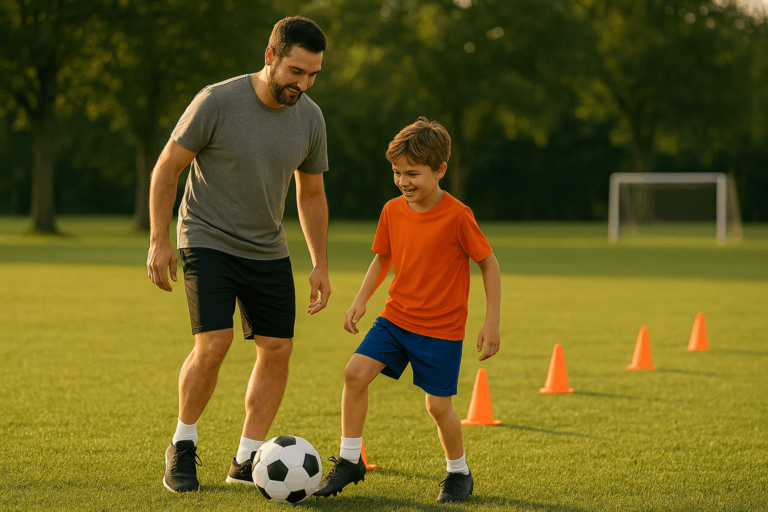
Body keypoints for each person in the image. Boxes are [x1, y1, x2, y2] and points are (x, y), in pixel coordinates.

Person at [145, 16, 331, 493]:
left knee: (278, 349)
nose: (303, 85)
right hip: (206, 235)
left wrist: (320, 263)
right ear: (270, 56)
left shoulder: (310, 117)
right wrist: (158, 239)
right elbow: (168, 166)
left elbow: (310, 194)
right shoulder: (217, 101)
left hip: (267, 246)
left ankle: (247, 459)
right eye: (295, 71)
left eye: (313, 75)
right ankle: (182, 446)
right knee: (215, 343)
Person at [314, 117, 502, 503]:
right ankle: (351, 460)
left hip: (441, 330)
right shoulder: (392, 210)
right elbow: (383, 258)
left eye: (412, 174)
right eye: (397, 173)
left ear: (440, 170)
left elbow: (488, 263)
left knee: (438, 409)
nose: (403, 182)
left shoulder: (458, 214)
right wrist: (361, 299)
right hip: (395, 319)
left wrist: (491, 322)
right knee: (354, 374)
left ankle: (458, 472)